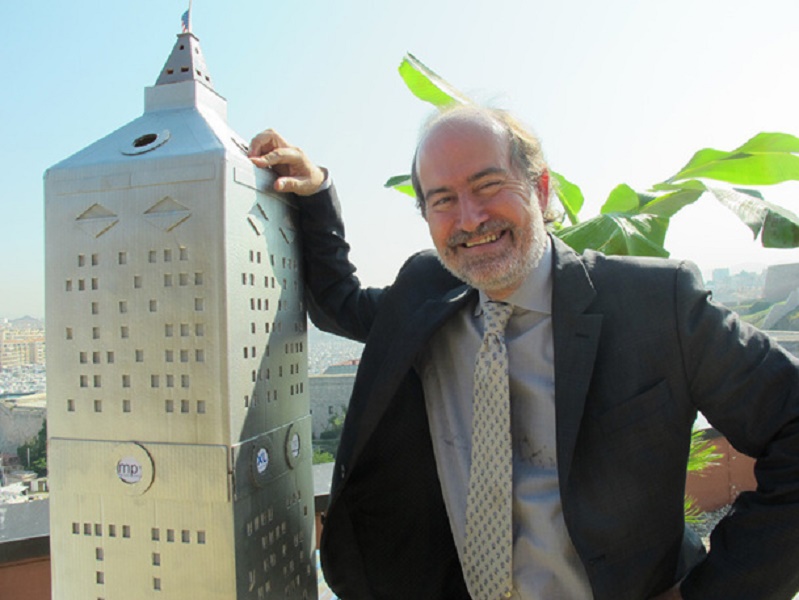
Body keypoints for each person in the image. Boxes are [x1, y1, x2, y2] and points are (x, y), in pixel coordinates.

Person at [249, 106, 799, 600]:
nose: (469, 218)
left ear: (540, 189)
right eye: (442, 200)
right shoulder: (423, 292)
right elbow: (339, 302)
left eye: (488, 185)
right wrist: (316, 191)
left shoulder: (656, 305)